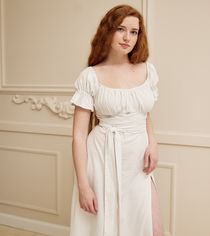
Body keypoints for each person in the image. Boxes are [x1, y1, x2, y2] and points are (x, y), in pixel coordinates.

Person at [70, 4, 164, 236]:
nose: (128, 37)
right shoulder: (90, 76)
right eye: (121, 29)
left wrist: (152, 142)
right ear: (108, 31)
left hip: (139, 160)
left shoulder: (146, 70)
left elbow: (144, 112)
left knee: (153, 229)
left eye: (134, 32)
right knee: (106, 226)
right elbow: (79, 136)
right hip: (103, 157)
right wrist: (84, 186)